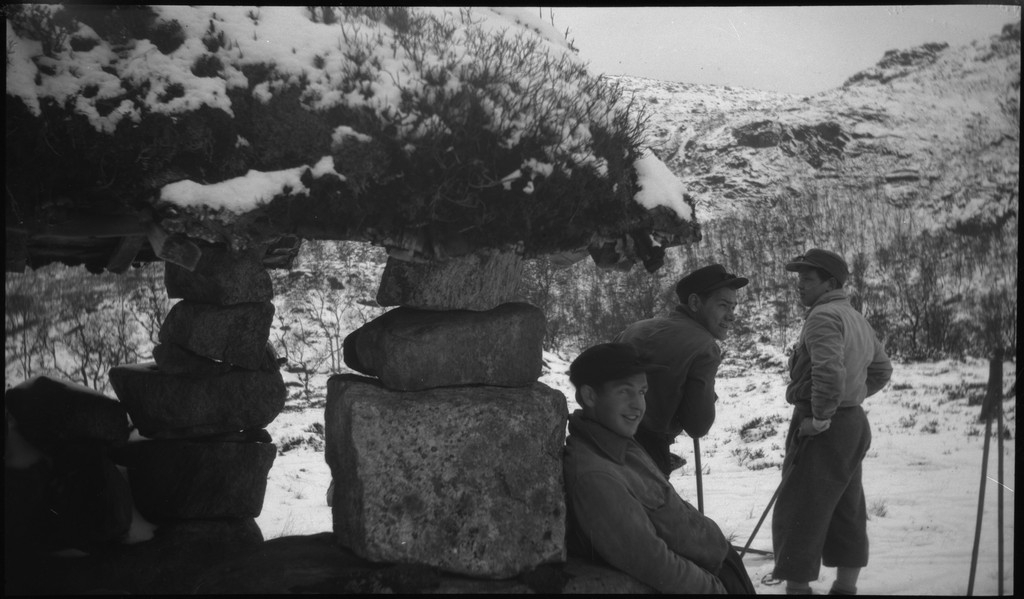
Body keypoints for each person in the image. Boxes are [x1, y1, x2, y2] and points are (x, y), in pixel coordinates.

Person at [563, 343, 755, 594]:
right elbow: (653, 562)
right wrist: (715, 588)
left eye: (641, 392)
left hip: (720, 561)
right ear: (589, 396)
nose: (638, 405)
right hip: (709, 580)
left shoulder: (619, 442)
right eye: (624, 392)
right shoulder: (595, 475)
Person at [771, 249, 893, 596]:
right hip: (853, 424)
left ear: (830, 283)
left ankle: (797, 589)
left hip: (822, 424)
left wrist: (822, 417)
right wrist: (851, 399)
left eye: (807, 280)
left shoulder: (823, 317)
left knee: (801, 506)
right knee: (847, 505)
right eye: (799, 280)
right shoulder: (855, 317)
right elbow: (882, 371)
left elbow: (828, 370)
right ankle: (845, 588)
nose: (800, 287)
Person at [614, 264, 748, 476]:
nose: (731, 316)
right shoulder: (705, 348)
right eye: (723, 305)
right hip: (647, 455)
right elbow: (698, 426)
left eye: (733, 307)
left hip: (601, 442)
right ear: (695, 302)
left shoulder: (635, 329)